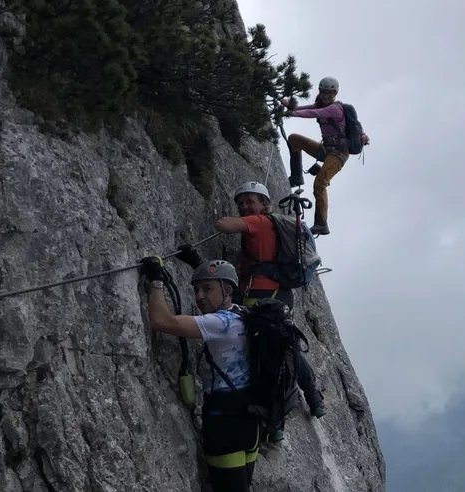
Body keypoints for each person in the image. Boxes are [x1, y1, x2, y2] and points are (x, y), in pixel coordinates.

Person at [179, 180, 326, 443]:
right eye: (241, 202)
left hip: (263, 298)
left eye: (251, 200)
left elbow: (222, 225)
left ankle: (277, 420)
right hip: (271, 296)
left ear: (264, 204)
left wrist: (239, 218)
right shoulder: (265, 226)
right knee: (282, 348)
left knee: (269, 356)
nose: (245, 206)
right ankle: (310, 398)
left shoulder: (260, 222)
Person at [139, 257, 261, 492]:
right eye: (196, 289)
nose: (199, 296)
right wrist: (197, 262)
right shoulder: (244, 315)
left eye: (207, 289)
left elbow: (161, 321)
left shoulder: (222, 323)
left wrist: (155, 281)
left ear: (227, 290)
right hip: (251, 425)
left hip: (225, 426)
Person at [282, 75, 368, 235]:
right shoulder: (321, 104)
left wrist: (291, 113)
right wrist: (288, 106)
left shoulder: (335, 109)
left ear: (335, 94)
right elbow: (305, 108)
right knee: (294, 139)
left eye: (330, 93)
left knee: (320, 183)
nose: (326, 96)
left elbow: (311, 113)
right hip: (326, 150)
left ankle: (322, 224)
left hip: (339, 154)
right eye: (324, 92)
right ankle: (296, 177)